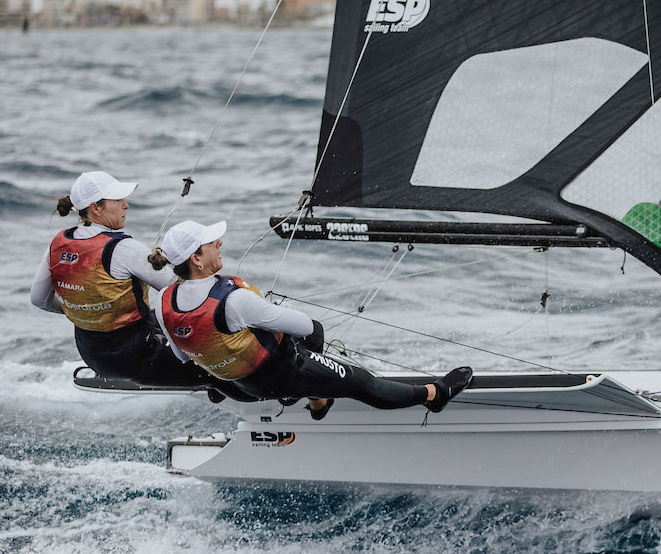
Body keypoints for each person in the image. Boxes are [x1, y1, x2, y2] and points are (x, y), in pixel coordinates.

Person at [149, 219, 473, 419]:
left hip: (243, 383)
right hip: (282, 375)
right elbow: (304, 326)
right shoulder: (234, 300)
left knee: (289, 354)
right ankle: (435, 395)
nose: (219, 243)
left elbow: (182, 354)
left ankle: (317, 402)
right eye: (211, 243)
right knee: (363, 383)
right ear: (197, 259)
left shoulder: (165, 300)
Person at [31, 170, 216, 389]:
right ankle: (227, 390)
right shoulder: (124, 248)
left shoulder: (58, 243)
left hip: (92, 356)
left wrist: (86, 309)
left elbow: (38, 299)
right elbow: (186, 292)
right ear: (95, 208)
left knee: (155, 317)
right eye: (118, 200)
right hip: (137, 357)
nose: (126, 205)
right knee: (216, 370)